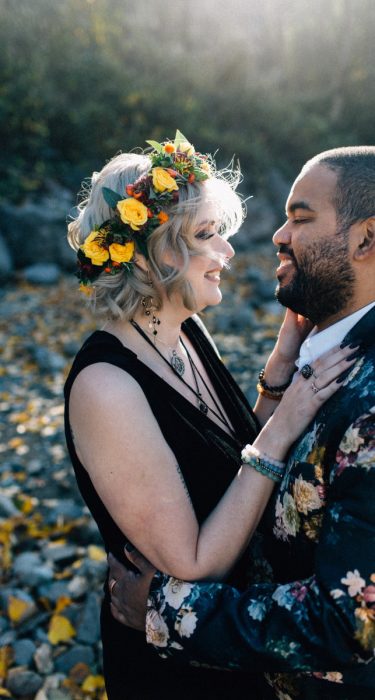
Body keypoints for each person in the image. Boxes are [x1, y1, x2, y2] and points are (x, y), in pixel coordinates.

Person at [64, 132, 355, 699]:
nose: (227, 252)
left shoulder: (186, 332)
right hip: (176, 665)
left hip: (229, 636)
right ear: (152, 253)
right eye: (205, 236)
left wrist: (278, 371)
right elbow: (194, 564)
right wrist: (288, 419)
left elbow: (222, 464)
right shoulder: (106, 386)